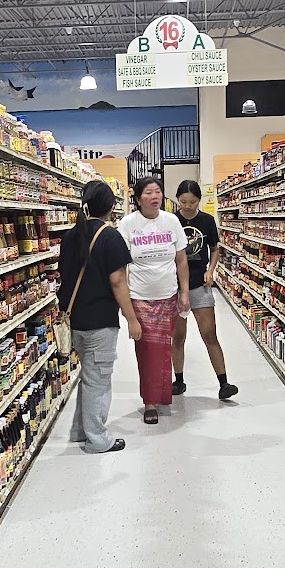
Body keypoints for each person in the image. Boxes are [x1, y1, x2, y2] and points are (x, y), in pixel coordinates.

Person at [57, 180, 136, 454]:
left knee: (89, 376)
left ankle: (81, 431)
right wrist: (132, 319)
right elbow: (118, 282)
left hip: (75, 321)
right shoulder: (110, 236)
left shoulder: (70, 235)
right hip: (100, 322)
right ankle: (98, 440)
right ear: (111, 207)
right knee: (98, 381)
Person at [118, 176, 190, 425]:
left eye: (157, 191)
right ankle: (150, 401)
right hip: (140, 297)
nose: (154, 196)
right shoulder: (128, 224)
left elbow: (181, 260)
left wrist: (184, 292)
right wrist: (126, 309)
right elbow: (120, 266)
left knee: (164, 347)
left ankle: (162, 394)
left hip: (168, 295)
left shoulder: (171, 221)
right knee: (147, 350)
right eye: (148, 192)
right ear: (138, 199)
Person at [169, 180, 237, 402]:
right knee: (178, 337)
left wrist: (211, 270)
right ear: (177, 200)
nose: (187, 206)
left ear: (199, 200)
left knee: (209, 334)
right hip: (175, 287)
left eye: (192, 202)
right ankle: (178, 381)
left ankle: (224, 383)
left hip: (200, 284)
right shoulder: (171, 221)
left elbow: (215, 249)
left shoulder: (207, 221)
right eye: (183, 202)